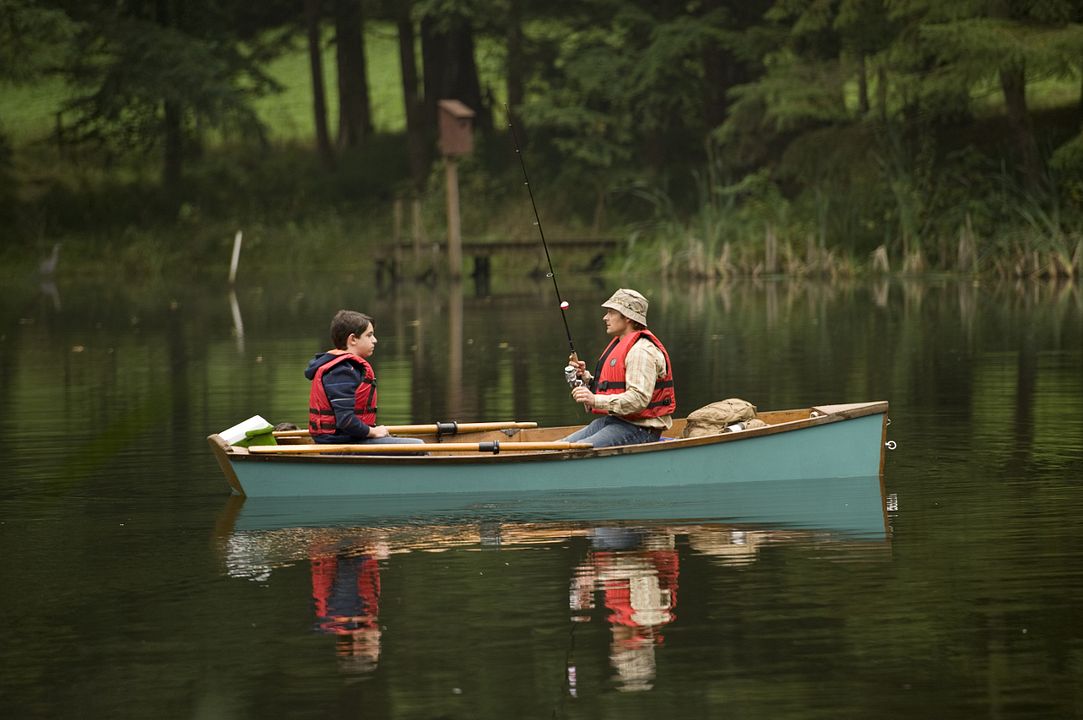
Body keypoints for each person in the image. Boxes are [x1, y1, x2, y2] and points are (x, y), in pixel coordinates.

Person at [561, 289, 675, 448]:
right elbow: (618, 389)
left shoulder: (641, 352)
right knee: (556, 447)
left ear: (627, 317)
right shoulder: (623, 344)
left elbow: (638, 399)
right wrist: (587, 380)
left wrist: (594, 400)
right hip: (617, 421)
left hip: (641, 429)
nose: (605, 317)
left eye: (610, 312)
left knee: (575, 450)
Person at [305, 309, 425, 447]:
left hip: (349, 439)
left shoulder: (348, 368)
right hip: (339, 444)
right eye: (369, 335)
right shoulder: (342, 371)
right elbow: (345, 421)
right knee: (418, 446)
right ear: (353, 339)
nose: (375, 340)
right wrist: (373, 432)